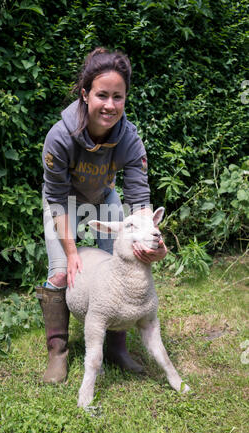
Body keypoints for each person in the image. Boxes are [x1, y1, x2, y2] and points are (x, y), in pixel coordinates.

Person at [36, 47, 167, 384]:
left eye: (118, 96)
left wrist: (147, 240)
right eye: (102, 95)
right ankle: (58, 351)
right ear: (85, 94)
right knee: (62, 273)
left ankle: (115, 347)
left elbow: (139, 199)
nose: (110, 104)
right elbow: (54, 197)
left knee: (120, 269)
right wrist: (72, 251)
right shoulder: (60, 136)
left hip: (105, 198)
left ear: (125, 98)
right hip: (63, 203)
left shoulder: (129, 138)